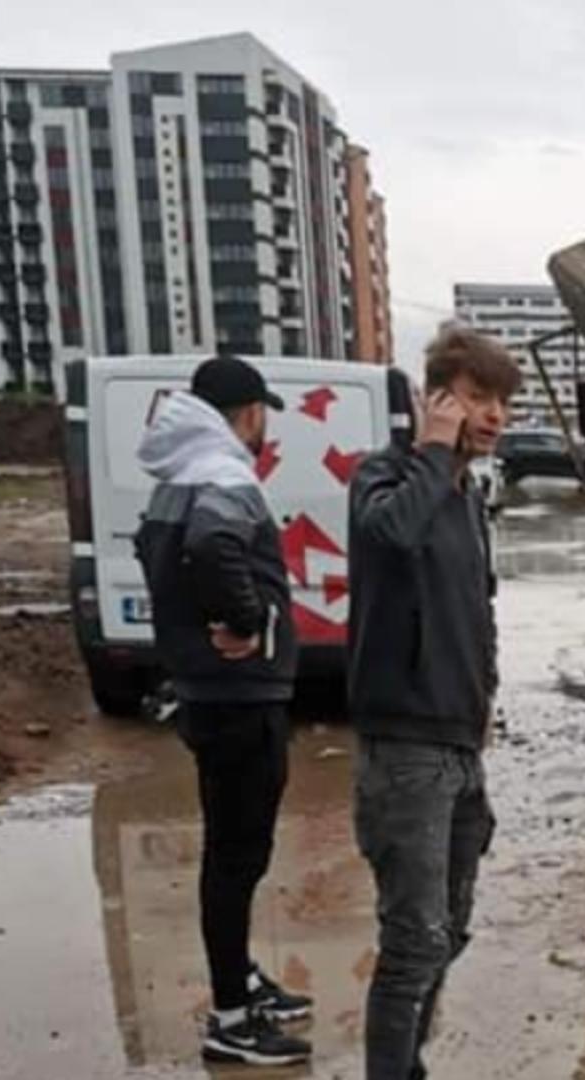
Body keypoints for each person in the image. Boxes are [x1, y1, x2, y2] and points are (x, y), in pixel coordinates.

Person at [348, 325, 519, 1080]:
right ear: (439, 399)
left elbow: (475, 613)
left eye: (502, 403)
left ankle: (408, 1064)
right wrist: (433, 449)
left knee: (448, 930)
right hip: (405, 747)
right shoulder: (385, 479)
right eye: (479, 399)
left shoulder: (468, 497)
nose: (495, 416)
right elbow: (391, 532)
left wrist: (485, 700)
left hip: (459, 743)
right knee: (412, 939)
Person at [134, 356, 313, 1067]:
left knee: (233, 853)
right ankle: (232, 1021)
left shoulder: (179, 472)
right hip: (238, 695)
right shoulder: (224, 472)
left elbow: (166, 555)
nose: (264, 426)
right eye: (262, 413)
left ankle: (239, 978)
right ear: (247, 413)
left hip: (209, 691)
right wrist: (249, 619)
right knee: (238, 857)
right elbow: (214, 548)